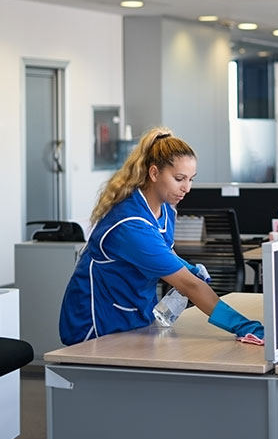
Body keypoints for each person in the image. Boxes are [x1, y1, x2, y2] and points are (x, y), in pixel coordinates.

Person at [59, 127, 263, 345]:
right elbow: (189, 286)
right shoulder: (131, 226)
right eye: (179, 178)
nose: (187, 188)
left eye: (191, 179)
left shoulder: (164, 209)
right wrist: (242, 325)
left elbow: (162, 251)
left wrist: (184, 266)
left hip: (135, 314)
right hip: (98, 324)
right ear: (154, 173)